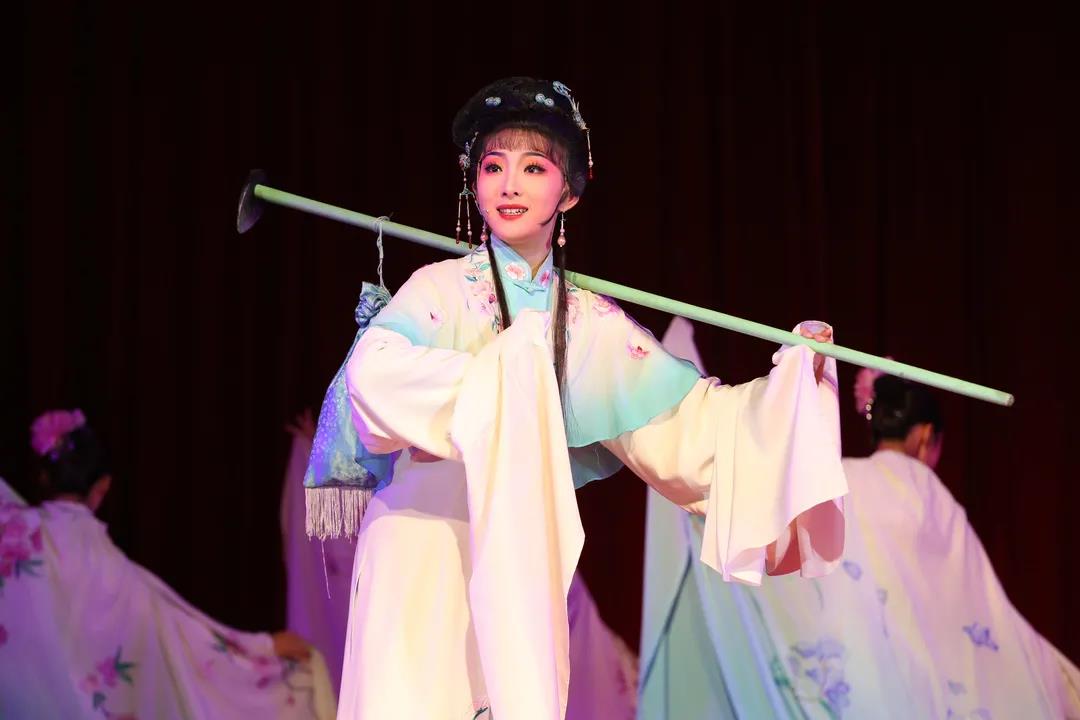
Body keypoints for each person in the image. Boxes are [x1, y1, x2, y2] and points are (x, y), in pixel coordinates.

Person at [319, 76, 848, 719]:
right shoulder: (439, 289)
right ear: (474, 183)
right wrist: (502, 382)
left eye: (533, 168)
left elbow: (688, 429)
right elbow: (373, 375)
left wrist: (793, 383)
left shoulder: (586, 324)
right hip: (421, 546)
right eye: (493, 167)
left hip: (521, 568)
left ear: (567, 191)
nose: (509, 185)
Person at [639, 323, 1080, 718]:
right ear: (925, 437)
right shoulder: (932, 497)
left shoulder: (839, 478)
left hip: (862, 673)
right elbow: (981, 610)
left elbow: (773, 509)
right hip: (921, 686)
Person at [0, 409, 336, 719]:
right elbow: (180, 636)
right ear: (103, 487)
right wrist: (263, 647)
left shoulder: (12, 536)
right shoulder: (109, 570)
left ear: (44, 477)